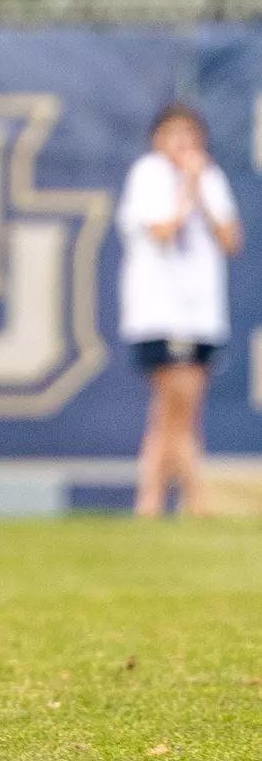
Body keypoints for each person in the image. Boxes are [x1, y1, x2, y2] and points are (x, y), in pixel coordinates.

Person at [116, 102, 243, 517]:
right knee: (177, 407)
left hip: (202, 314)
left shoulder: (212, 179)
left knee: (174, 413)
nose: (184, 143)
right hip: (161, 312)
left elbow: (231, 239)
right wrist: (187, 189)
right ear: (157, 139)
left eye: (191, 134)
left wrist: (200, 189)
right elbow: (163, 230)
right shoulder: (148, 176)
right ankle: (193, 498)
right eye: (175, 134)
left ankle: (151, 500)